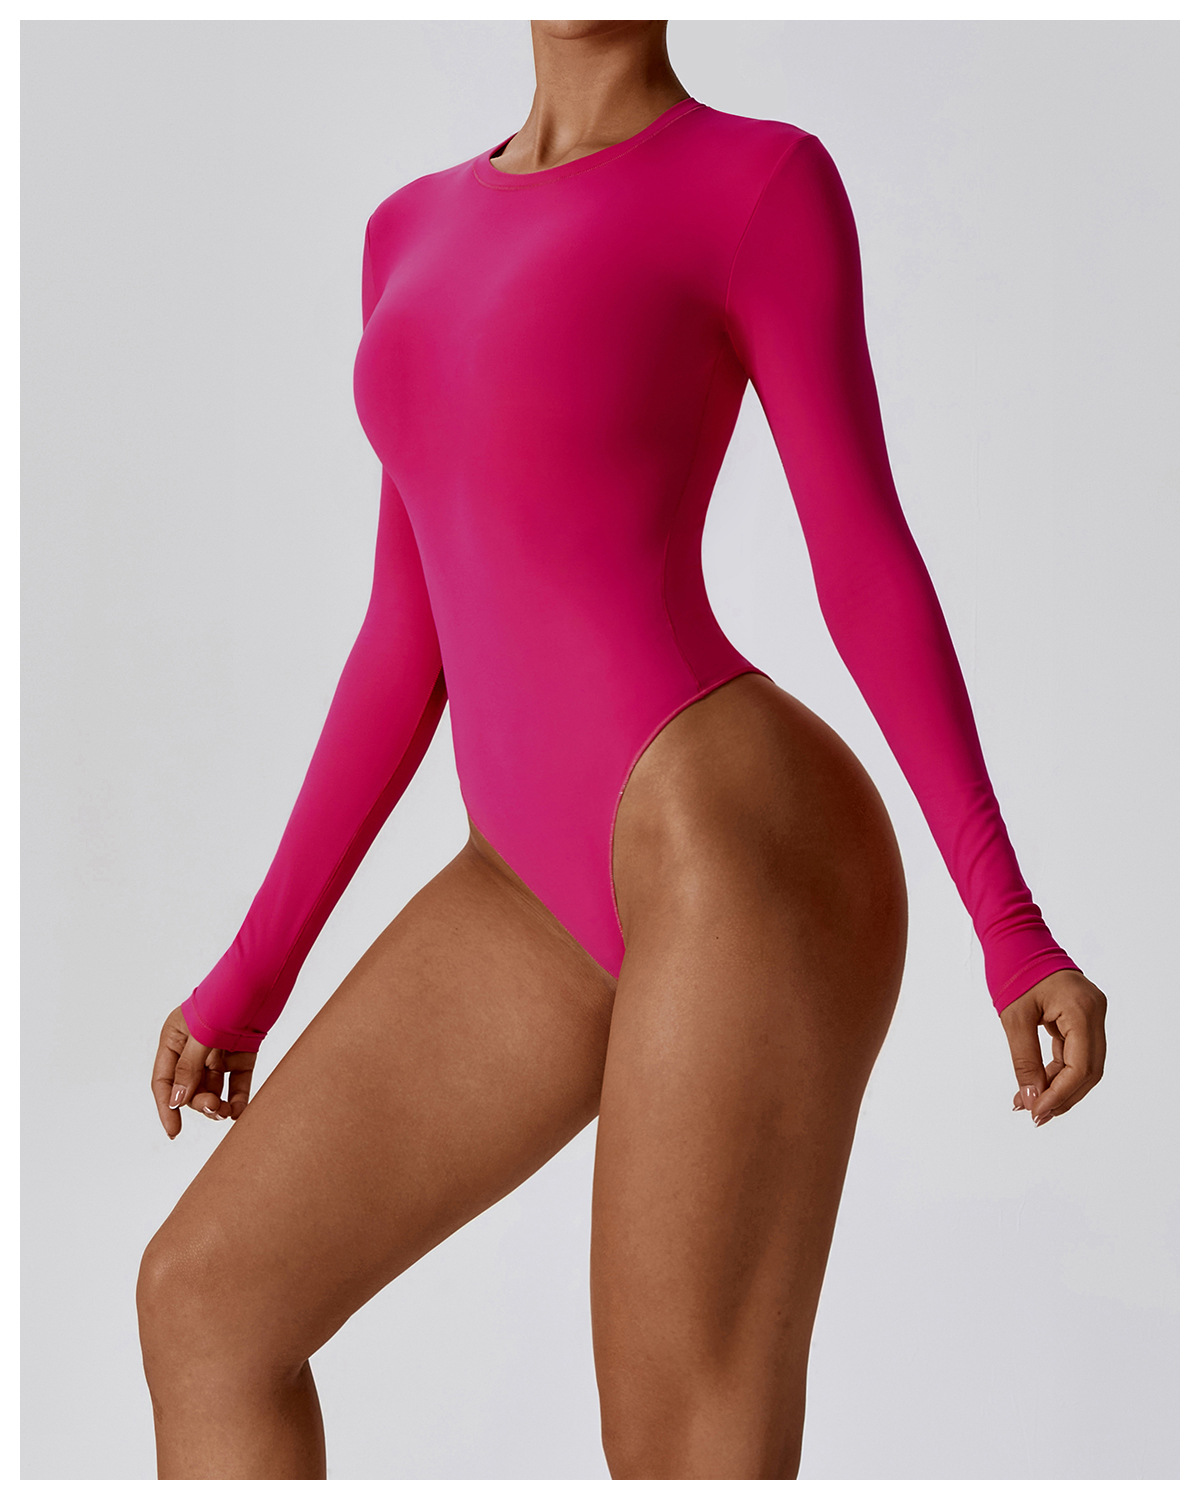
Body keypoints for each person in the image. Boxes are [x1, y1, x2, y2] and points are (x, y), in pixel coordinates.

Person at [137, 19, 1107, 1481]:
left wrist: (1011, 925)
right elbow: (407, 636)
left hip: (729, 835)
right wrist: (251, 973)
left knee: (678, 1442)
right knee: (206, 1306)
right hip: (521, 878)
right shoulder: (405, 233)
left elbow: (861, 561)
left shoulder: (756, 183)